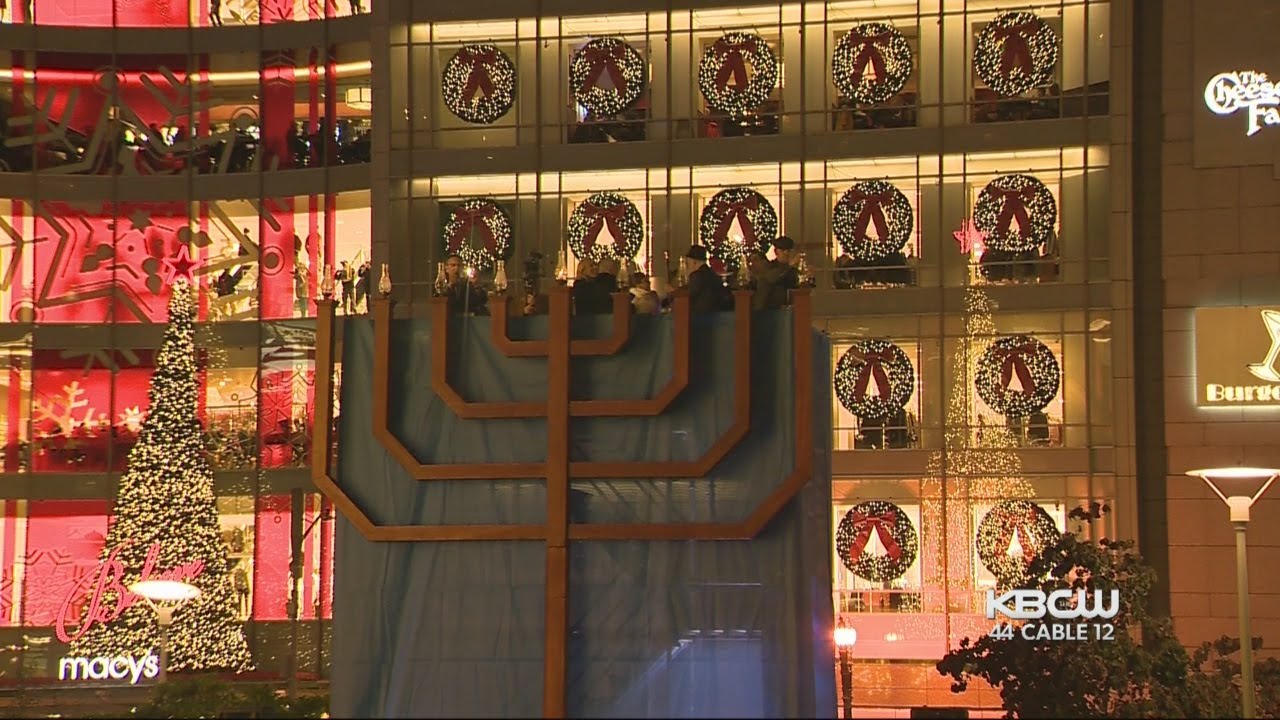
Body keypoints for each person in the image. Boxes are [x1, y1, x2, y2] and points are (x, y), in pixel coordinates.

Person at [684, 246, 729, 314]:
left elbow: (687, 297)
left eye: (687, 263)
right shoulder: (712, 274)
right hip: (715, 317)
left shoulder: (697, 276)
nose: (686, 267)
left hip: (700, 318)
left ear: (694, 262)